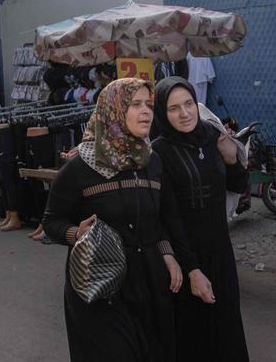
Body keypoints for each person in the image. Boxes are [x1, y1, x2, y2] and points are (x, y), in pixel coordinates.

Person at [43, 78, 181, 361]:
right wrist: (75, 233)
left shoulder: (152, 162)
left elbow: (161, 220)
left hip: (150, 281)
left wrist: (167, 255)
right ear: (113, 110)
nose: (146, 112)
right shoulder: (80, 166)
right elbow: (52, 221)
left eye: (149, 105)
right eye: (135, 104)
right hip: (101, 283)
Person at [152, 77, 250, 362]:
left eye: (188, 104)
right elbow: (168, 216)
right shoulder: (160, 151)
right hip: (186, 257)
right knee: (194, 336)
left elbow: (236, 187)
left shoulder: (211, 135)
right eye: (173, 108)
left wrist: (232, 161)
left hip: (221, 251)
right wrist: (192, 269)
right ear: (162, 112)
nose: (184, 113)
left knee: (227, 327)